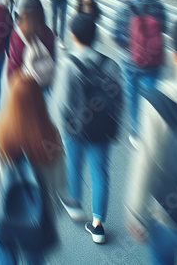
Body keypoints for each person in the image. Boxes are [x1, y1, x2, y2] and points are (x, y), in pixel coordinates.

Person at [125, 19, 177, 264]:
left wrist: (135, 211)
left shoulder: (159, 99)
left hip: (168, 210)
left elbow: (146, 159)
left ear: (175, 57)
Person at [53, 14, 122, 245]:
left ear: (73, 35)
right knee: (100, 173)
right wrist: (114, 126)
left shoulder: (68, 63)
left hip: (75, 128)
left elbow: (61, 102)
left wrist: (61, 126)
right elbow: (118, 99)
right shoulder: (111, 64)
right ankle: (98, 225)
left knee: (74, 164)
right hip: (102, 128)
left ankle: (74, 203)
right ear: (96, 35)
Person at [0, 74, 64, 265]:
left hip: (3, 211)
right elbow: (60, 181)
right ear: (40, 102)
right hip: (38, 215)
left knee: (2, 253)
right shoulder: (51, 135)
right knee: (35, 258)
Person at [113, 0, 167, 146]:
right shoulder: (156, 5)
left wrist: (133, 47)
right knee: (152, 94)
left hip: (131, 61)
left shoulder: (124, 8)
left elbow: (116, 36)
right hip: (153, 59)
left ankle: (136, 133)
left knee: (132, 95)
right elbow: (164, 28)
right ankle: (155, 131)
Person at [7, 0, 55, 80]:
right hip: (45, 79)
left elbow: (13, 64)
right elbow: (53, 57)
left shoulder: (18, 34)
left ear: (23, 14)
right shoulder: (48, 32)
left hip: (25, 84)